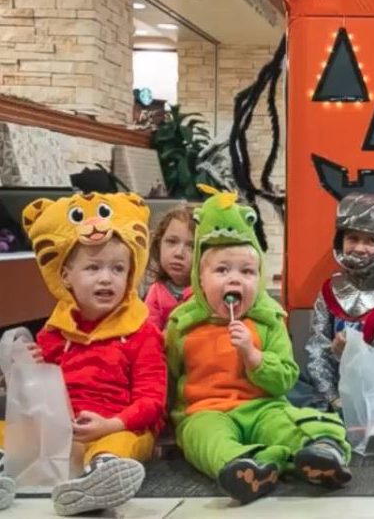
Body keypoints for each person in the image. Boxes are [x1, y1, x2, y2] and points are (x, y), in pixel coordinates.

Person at [166, 186, 351, 505]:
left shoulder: (268, 321)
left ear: (261, 277)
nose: (235, 280)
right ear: (200, 276)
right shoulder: (182, 325)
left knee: (294, 422)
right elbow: (167, 378)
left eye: (247, 272)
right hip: (205, 412)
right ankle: (244, 467)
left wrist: (253, 357)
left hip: (263, 406)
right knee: (204, 440)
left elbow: (286, 378)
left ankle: (322, 449)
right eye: (222, 270)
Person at [20, 192, 167, 516]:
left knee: (123, 444)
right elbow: (33, 398)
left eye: (117, 269)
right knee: (9, 430)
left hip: (118, 425)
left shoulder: (142, 333)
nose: (106, 278)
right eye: (93, 268)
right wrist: (23, 370)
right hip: (61, 429)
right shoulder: (54, 333)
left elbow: (152, 400)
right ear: (66, 276)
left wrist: (112, 424)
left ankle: (101, 476)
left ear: (130, 275)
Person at [290, 193, 374, 413]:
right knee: (287, 381)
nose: (359, 248)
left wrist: (350, 354)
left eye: (370, 240)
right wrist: (332, 398)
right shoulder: (330, 289)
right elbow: (317, 348)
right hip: (328, 390)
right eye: (352, 238)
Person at [144, 204, 195, 331]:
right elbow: (150, 332)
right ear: (159, 244)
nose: (179, 253)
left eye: (191, 246)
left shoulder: (208, 291)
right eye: (172, 242)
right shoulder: (156, 291)